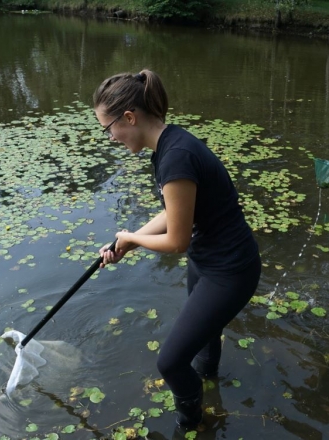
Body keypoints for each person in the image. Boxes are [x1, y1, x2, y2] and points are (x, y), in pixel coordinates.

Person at [93, 70, 261, 428]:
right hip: (208, 259)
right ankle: (210, 388)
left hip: (231, 270)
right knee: (203, 338)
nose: (110, 138)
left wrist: (133, 238)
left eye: (108, 129)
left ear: (129, 117)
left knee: (169, 362)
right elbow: (173, 213)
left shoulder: (176, 156)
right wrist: (128, 240)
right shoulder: (170, 145)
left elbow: (176, 242)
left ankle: (194, 424)